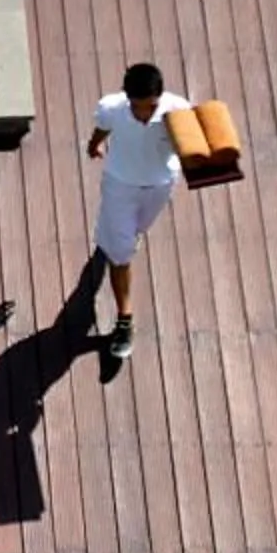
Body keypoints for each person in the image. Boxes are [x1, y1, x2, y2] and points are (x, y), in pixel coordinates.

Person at [84, 61, 189, 361]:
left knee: (136, 231)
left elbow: (192, 143)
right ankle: (124, 319)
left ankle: (122, 240)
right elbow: (102, 128)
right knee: (121, 254)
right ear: (126, 98)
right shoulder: (112, 108)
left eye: (151, 107)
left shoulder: (178, 109)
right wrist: (94, 147)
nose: (144, 114)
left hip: (160, 186)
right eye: (138, 107)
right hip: (120, 185)